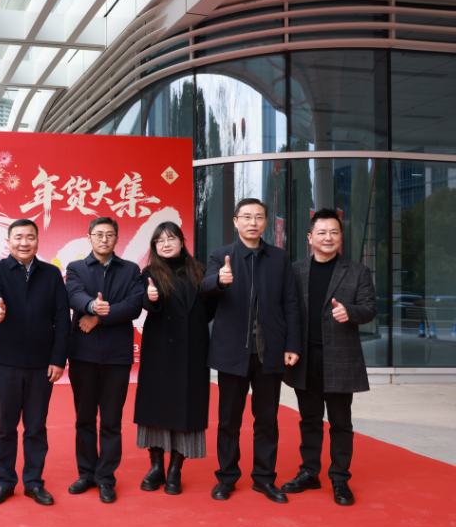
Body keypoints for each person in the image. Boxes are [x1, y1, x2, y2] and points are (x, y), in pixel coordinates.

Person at [202, 198, 300, 504]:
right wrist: (219, 281)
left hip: (269, 351)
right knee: (229, 419)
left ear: (265, 222)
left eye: (258, 217)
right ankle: (226, 478)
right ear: (236, 222)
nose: (252, 222)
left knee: (267, 419)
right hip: (232, 351)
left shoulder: (279, 258)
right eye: (246, 217)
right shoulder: (221, 255)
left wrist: (292, 344)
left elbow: (291, 303)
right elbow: (205, 287)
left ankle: (264, 478)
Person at [281, 209, 377, 506]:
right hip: (305, 358)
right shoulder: (295, 271)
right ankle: (309, 472)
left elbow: (370, 308)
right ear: (310, 238)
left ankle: (339, 478)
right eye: (321, 233)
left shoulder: (357, 271)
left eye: (334, 232)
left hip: (340, 358)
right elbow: (286, 311)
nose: (328, 238)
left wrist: (351, 312)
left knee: (340, 422)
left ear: (341, 237)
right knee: (309, 420)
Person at [0, 219, 70, 506]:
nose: (24, 243)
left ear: (37, 242)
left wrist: (58, 359)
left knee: (36, 427)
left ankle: (33, 482)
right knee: (5, 426)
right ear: (8, 242)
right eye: (18, 237)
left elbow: (62, 319)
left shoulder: (51, 274)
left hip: (41, 364)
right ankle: (4, 481)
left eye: (30, 237)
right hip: (4, 363)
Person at [64, 216, 144, 503]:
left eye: (109, 234)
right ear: (89, 238)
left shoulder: (130, 269)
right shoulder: (75, 268)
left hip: (117, 357)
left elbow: (134, 305)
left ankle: (106, 478)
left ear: (116, 238)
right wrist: (90, 305)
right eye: (98, 234)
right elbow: (73, 295)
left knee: (111, 421)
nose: (104, 239)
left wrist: (99, 317)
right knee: (84, 418)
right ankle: (86, 474)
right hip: (83, 354)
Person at [136, 222, 217, 495]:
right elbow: (146, 302)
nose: (166, 244)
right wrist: (151, 298)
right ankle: (156, 466)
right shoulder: (149, 272)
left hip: (193, 351)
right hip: (160, 350)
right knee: (156, 409)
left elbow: (210, 308)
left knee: (187, 409)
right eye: (160, 241)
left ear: (182, 242)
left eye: (171, 238)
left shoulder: (200, 271)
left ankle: (175, 469)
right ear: (154, 247)